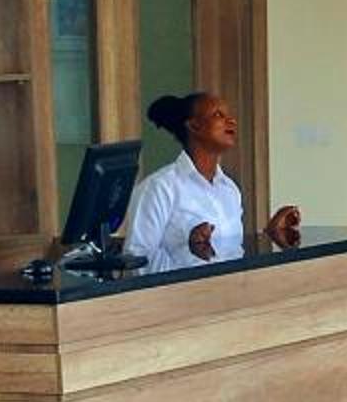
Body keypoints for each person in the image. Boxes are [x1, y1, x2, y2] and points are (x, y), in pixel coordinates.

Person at [121, 91, 300, 274]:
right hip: (185, 292)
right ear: (194, 126)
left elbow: (234, 253)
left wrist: (273, 235)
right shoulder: (160, 188)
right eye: (218, 115)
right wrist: (189, 259)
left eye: (229, 115)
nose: (232, 121)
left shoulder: (230, 190)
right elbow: (137, 260)